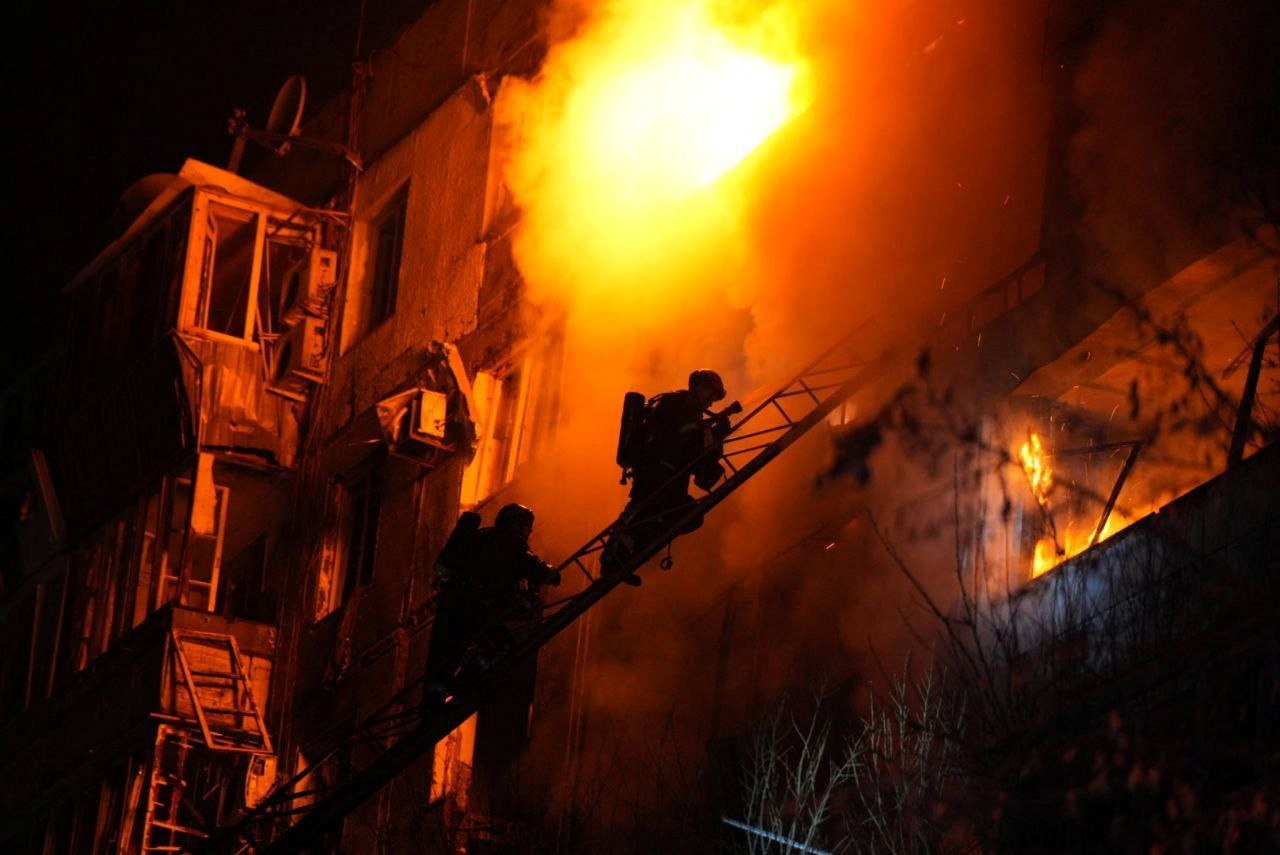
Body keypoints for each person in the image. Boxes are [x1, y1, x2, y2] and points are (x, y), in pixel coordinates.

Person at [605, 369, 738, 585]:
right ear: (699, 387)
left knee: (685, 516)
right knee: (644, 512)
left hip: (670, 477)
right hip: (656, 471)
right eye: (711, 395)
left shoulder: (688, 411)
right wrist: (713, 434)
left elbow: (696, 456)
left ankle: (626, 559)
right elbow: (682, 437)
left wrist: (714, 437)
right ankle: (612, 558)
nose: (711, 403)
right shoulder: (679, 404)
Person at [425, 503, 560, 699]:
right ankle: (463, 685)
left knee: (446, 658)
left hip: (454, 606)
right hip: (479, 611)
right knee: (501, 646)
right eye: (527, 528)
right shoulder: (511, 545)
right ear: (518, 525)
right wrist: (552, 574)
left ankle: (437, 696)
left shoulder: (481, 537)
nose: (528, 533)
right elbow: (536, 568)